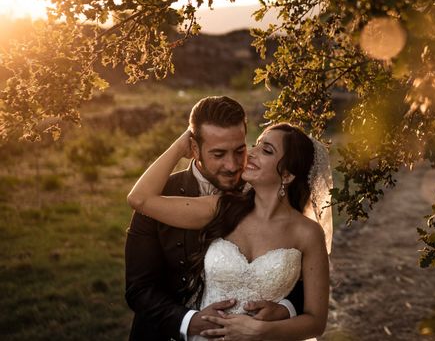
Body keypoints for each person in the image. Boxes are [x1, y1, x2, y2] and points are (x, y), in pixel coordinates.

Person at [128, 113, 331, 341]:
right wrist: (181, 145)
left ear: (287, 174)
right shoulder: (222, 207)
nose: (250, 153)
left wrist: (262, 331)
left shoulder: (308, 233)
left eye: (267, 150)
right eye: (255, 145)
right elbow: (139, 200)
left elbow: (316, 321)